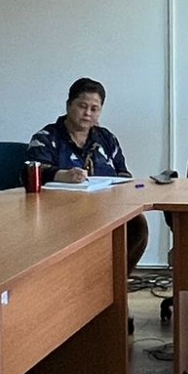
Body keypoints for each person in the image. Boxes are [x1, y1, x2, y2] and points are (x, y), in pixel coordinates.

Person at [29, 77, 147, 271]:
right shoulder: (46, 138)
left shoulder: (106, 138)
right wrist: (62, 175)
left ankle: (115, 281)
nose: (87, 114)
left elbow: (123, 172)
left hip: (105, 209)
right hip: (60, 212)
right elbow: (32, 173)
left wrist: (127, 186)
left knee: (137, 225)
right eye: (82, 106)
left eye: (94, 109)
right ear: (69, 105)